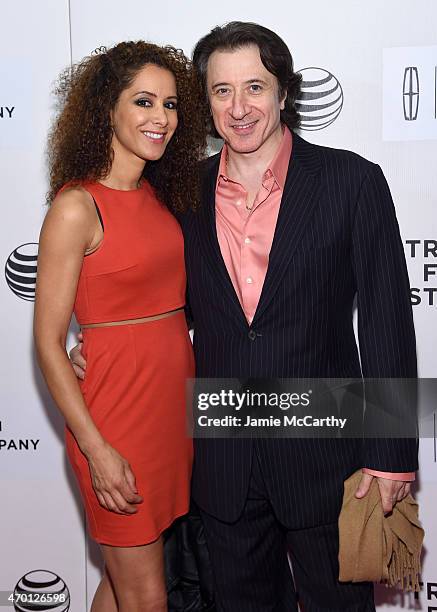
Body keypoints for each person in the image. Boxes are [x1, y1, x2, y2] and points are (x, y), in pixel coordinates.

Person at [71, 22, 418, 612]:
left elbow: (387, 322)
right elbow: (144, 286)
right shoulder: (178, 195)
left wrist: (392, 455)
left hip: (325, 455)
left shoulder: (352, 181)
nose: (239, 108)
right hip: (222, 459)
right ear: (205, 103)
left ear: (284, 93)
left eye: (255, 87)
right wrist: (101, 341)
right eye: (221, 90)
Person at [34, 41, 206, 612]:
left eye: (171, 103)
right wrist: (96, 449)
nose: (161, 118)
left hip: (167, 414)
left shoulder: (160, 195)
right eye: (143, 102)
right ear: (107, 106)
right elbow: (48, 343)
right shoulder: (77, 207)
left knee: (123, 584)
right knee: (147, 596)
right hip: (115, 420)